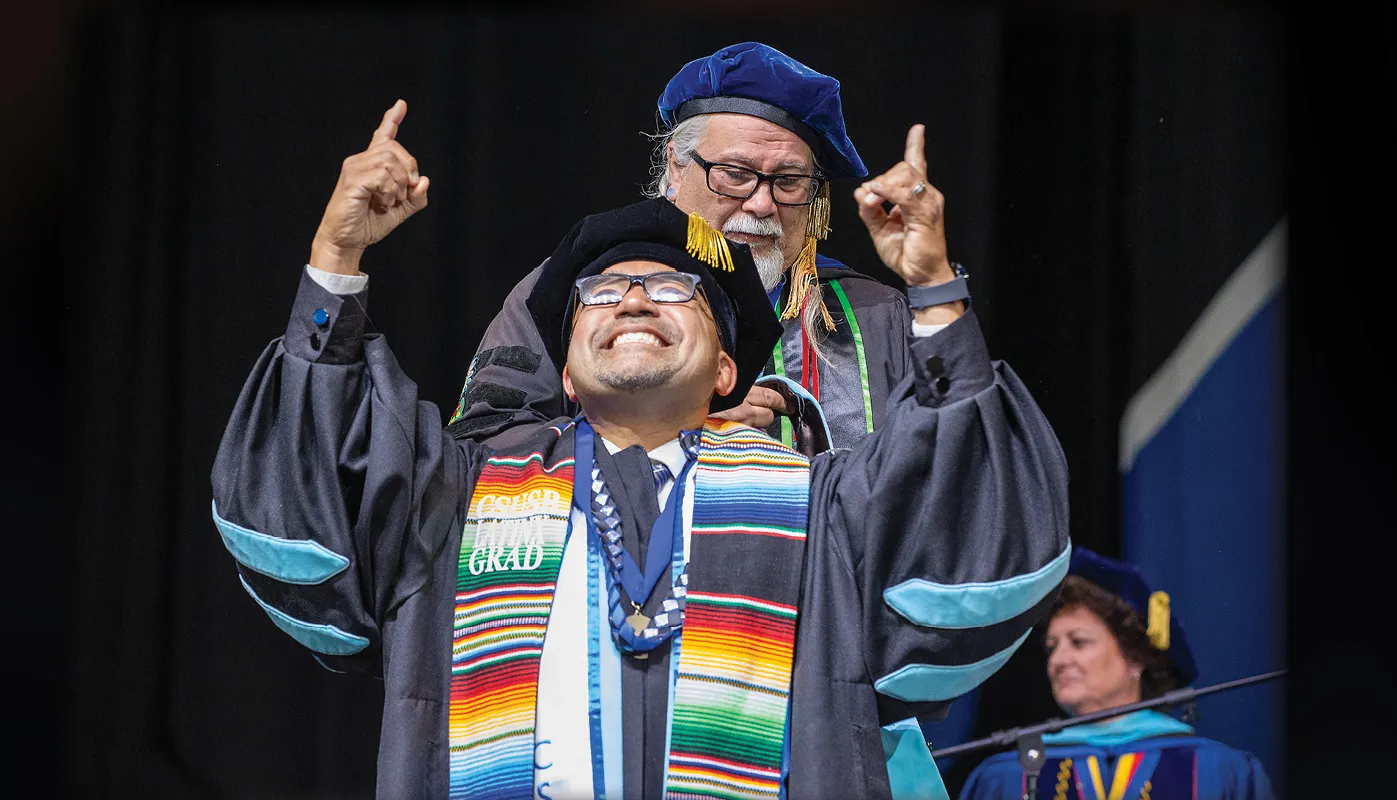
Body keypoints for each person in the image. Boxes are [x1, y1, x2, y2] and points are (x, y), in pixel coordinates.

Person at [210, 99, 1070, 800]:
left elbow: (963, 499)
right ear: (567, 378)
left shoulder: (823, 503)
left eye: (670, 290)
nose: (632, 302)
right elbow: (316, 475)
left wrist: (934, 288)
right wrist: (337, 256)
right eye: (607, 291)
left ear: (728, 366)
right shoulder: (464, 501)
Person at [447, 41, 934, 455]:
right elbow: (481, 449)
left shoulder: (873, 316)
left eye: (788, 181)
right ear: (676, 168)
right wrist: (660, 430)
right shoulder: (575, 291)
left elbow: (940, 479)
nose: (761, 204)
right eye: (736, 175)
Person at [958, 548, 1276, 800]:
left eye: (1079, 642)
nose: (1058, 660)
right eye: (1052, 647)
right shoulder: (1006, 777)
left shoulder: (1217, 771)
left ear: (1135, 658)